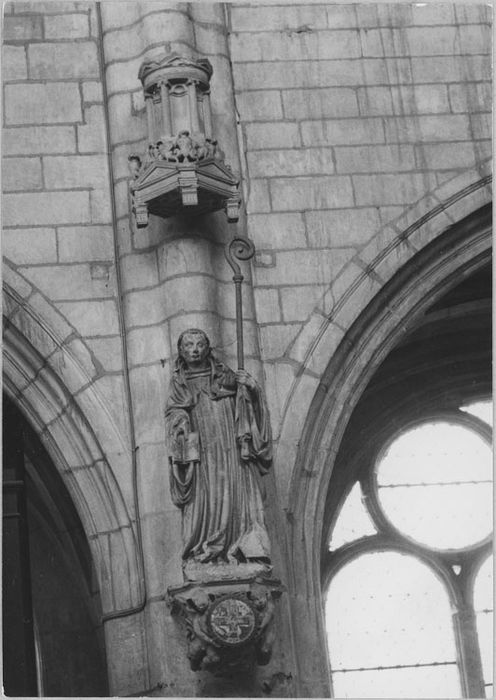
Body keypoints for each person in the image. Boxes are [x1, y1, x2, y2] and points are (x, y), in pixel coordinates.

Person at [165, 329, 272, 566]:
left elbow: (248, 407)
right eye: (189, 345)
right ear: (181, 351)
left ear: (208, 348)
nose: (194, 349)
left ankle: (240, 542)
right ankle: (208, 546)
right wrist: (180, 423)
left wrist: (252, 388)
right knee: (207, 496)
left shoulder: (226, 377)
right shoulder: (179, 384)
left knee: (236, 488)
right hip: (204, 452)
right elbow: (174, 411)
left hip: (229, 447)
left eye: (199, 344)